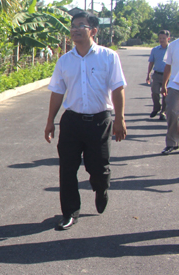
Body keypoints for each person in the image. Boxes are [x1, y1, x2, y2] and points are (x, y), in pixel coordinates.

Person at [44, 12, 127, 230]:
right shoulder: (64, 61)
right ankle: (70, 212)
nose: (75, 29)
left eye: (81, 25)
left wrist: (119, 119)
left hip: (100, 121)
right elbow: (57, 92)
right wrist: (50, 121)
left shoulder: (108, 57)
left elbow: (118, 88)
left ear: (94, 30)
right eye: (73, 26)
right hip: (71, 122)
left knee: (98, 168)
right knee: (67, 169)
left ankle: (101, 187)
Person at [160, 33, 179, 154]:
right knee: (171, 111)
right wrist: (164, 85)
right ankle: (171, 143)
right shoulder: (173, 45)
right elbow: (168, 66)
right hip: (174, 85)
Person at [146, 30, 170, 120]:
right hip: (157, 75)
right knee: (155, 92)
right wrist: (148, 74)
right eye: (160, 38)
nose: (161, 40)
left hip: (168, 76)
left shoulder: (171, 49)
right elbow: (151, 62)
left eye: (164, 38)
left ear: (168, 38)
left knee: (165, 95)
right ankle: (156, 107)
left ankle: (163, 112)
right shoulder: (155, 50)